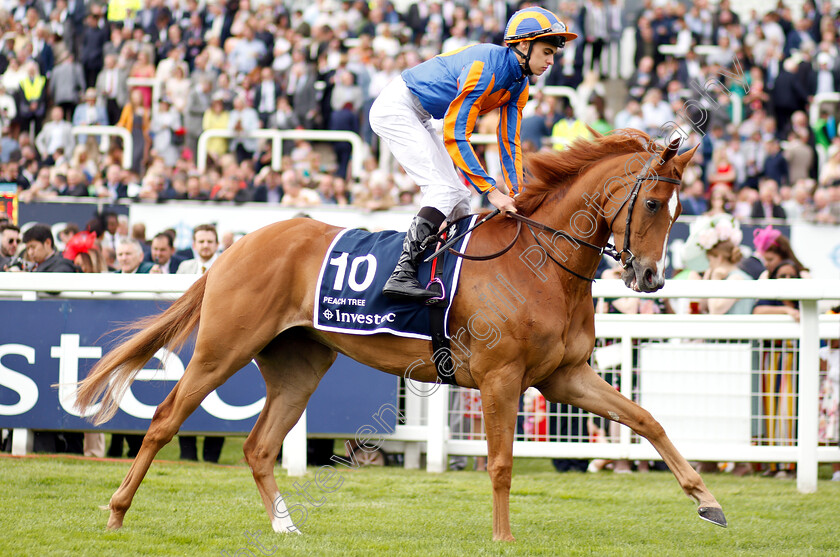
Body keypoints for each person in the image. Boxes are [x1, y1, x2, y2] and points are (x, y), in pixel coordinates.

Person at [369, 6, 576, 301]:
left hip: (422, 114)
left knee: (461, 196)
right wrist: (492, 192)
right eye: (546, 52)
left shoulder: (520, 84)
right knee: (443, 190)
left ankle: (451, 274)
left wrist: (518, 193)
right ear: (524, 45)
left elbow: (508, 143)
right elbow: (456, 135)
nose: (550, 61)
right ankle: (402, 273)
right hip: (397, 108)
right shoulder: (485, 68)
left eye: (553, 54)